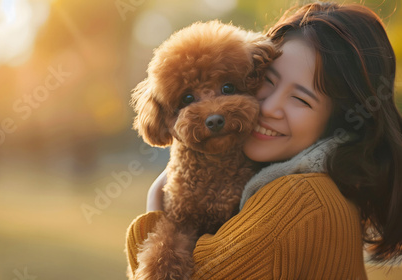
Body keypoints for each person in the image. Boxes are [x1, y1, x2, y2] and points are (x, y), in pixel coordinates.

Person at [126, 2, 402, 279]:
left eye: (300, 99)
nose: (269, 108)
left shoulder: (300, 200)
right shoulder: (322, 182)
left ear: (338, 119)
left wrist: (155, 204)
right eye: (268, 81)